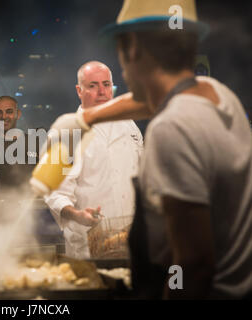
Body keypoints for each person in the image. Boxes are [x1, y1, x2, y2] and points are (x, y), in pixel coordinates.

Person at [49, 0, 252, 299]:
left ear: (132, 50)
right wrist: (85, 118)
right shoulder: (220, 96)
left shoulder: (171, 128)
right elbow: (154, 99)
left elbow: (192, 265)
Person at [44, 61, 143, 259]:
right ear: (79, 90)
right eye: (92, 85)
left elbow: (143, 175)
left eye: (106, 84)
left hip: (130, 236)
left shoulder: (129, 124)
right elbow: (55, 192)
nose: (101, 92)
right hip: (88, 241)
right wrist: (77, 214)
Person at [0, 96, 38, 195]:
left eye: (9, 112)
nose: (4, 116)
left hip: (31, 205)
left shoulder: (34, 143)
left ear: (18, 114)